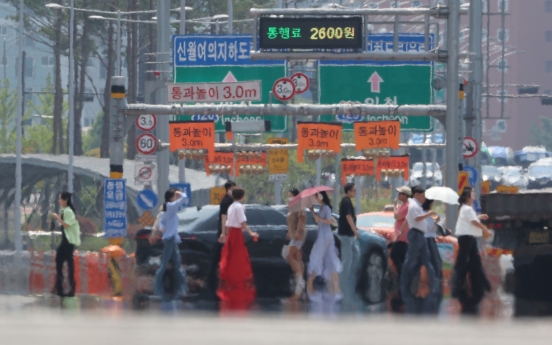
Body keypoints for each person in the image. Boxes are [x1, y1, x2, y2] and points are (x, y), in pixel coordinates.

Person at [453, 186, 492, 315]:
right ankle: (457, 286)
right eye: (472, 193)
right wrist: (485, 230)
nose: (474, 194)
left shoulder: (468, 209)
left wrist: (480, 216)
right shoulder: (466, 208)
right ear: (467, 196)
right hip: (466, 238)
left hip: (470, 237)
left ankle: (483, 284)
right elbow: (474, 222)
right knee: (462, 262)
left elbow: (472, 219)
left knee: (475, 260)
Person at [217, 187, 259, 309]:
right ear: (242, 196)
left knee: (231, 260)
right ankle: (238, 286)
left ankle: (231, 285)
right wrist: (251, 233)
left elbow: (227, 222)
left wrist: (224, 234)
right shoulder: (239, 207)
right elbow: (242, 222)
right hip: (236, 235)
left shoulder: (231, 206)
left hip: (231, 235)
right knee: (239, 260)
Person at [400, 186, 437, 314]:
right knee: (410, 259)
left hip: (420, 235)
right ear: (416, 195)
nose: (424, 198)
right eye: (422, 195)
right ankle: (403, 281)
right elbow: (416, 218)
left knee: (426, 259)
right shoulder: (413, 205)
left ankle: (434, 281)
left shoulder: (417, 205)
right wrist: (429, 214)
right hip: (416, 235)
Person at [154, 188, 188, 301]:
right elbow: (184, 198)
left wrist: (163, 227)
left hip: (171, 239)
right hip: (170, 240)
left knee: (177, 264)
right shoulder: (171, 206)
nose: (177, 197)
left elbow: (161, 221)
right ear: (171, 197)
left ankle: (182, 288)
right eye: (175, 195)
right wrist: (180, 193)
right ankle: (158, 288)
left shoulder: (166, 208)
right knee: (165, 264)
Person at [308, 191, 341, 295]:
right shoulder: (322, 207)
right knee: (330, 259)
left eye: (316, 196)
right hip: (324, 235)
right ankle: (335, 289)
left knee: (317, 258)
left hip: (325, 236)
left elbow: (330, 221)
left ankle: (311, 286)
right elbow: (319, 221)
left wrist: (320, 218)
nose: (315, 198)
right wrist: (313, 211)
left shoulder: (326, 207)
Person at [207, 181, 236, 298]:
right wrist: (224, 233)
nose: (234, 190)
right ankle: (220, 283)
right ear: (229, 188)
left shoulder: (229, 201)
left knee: (219, 259)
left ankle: (216, 282)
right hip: (225, 233)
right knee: (223, 259)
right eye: (233, 188)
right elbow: (224, 218)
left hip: (226, 233)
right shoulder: (227, 201)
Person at [51, 192, 81, 297]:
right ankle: (60, 287)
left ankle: (68, 288)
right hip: (66, 240)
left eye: (60, 199)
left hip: (69, 242)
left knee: (67, 263)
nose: (59, 201)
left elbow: (66, 225)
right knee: (61, 261)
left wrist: (56, 217)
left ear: (65, 200)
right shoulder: (64, 210)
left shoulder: (69, 211)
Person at [389, 185, 411, 312]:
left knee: (395, 256)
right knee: (399, 258)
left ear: (405, 195)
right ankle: (402, 277)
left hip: (402, 238)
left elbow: (396, 217)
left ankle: (402, 276)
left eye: (401, 193)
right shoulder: (404, 206)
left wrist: (394, 205)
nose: (399, 195)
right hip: (400, 236)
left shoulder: (406, 206)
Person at [337, 183, 359, 298]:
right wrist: (355, 230)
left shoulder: (348, 201)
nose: (355, 192)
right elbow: (348, 216)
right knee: (347, 259)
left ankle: (350, 277)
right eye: (354, 190)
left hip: (349, 235)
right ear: (348, 191)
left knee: (356, 254)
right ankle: (343, 282)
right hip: (346, 234)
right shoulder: (346, 201)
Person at [422, 198, 442, 314]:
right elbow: (434, 225)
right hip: (429, 240)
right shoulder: (429, 213)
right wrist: (435, 223)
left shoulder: (425, 213)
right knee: (435, 260)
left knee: (431, 260)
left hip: (427, 239)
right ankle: (434, 280)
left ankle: (433, 279)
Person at [286, 188, 307, 298]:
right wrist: (289, 232)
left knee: (289, 255)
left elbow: (301, 219)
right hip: (293, 234)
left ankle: (300, 280)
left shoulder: (300, 205)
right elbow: (291, 220)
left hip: (299, 234)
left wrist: (298, 232)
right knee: (297, 257)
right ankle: (299, 288)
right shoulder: (292, 205)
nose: (289, 196)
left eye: (290, 194)